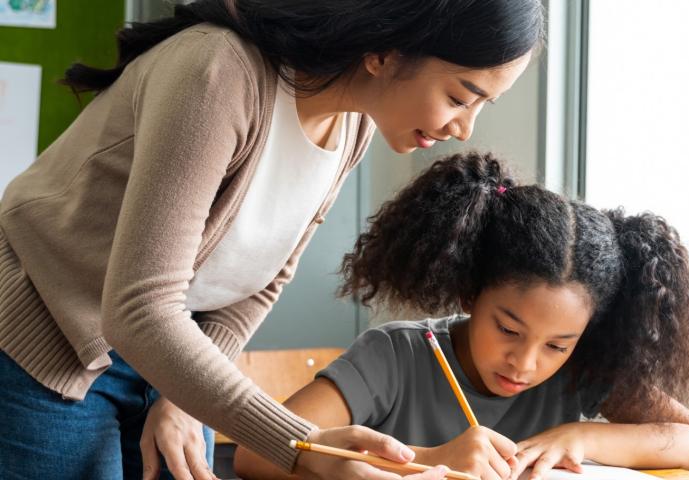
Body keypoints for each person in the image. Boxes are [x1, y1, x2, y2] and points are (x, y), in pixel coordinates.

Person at [0, 0, 543, 478]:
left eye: (480, 106)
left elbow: (260, 281)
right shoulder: (217, 73)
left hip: (165, 349)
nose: (463, 128)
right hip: (43, 336)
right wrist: (303, 445)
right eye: (459, 96)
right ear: (384, 53)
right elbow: (140, 307)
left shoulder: (352, 123)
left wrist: (183, 397)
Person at [233, 152, 689, 480]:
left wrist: (580, 435)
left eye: (557, 344)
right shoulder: (396, 355)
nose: (525, 363)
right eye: (508, 329)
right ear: (471, 291)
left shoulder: (581, 371)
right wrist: (427, 463)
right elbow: (254, 454)